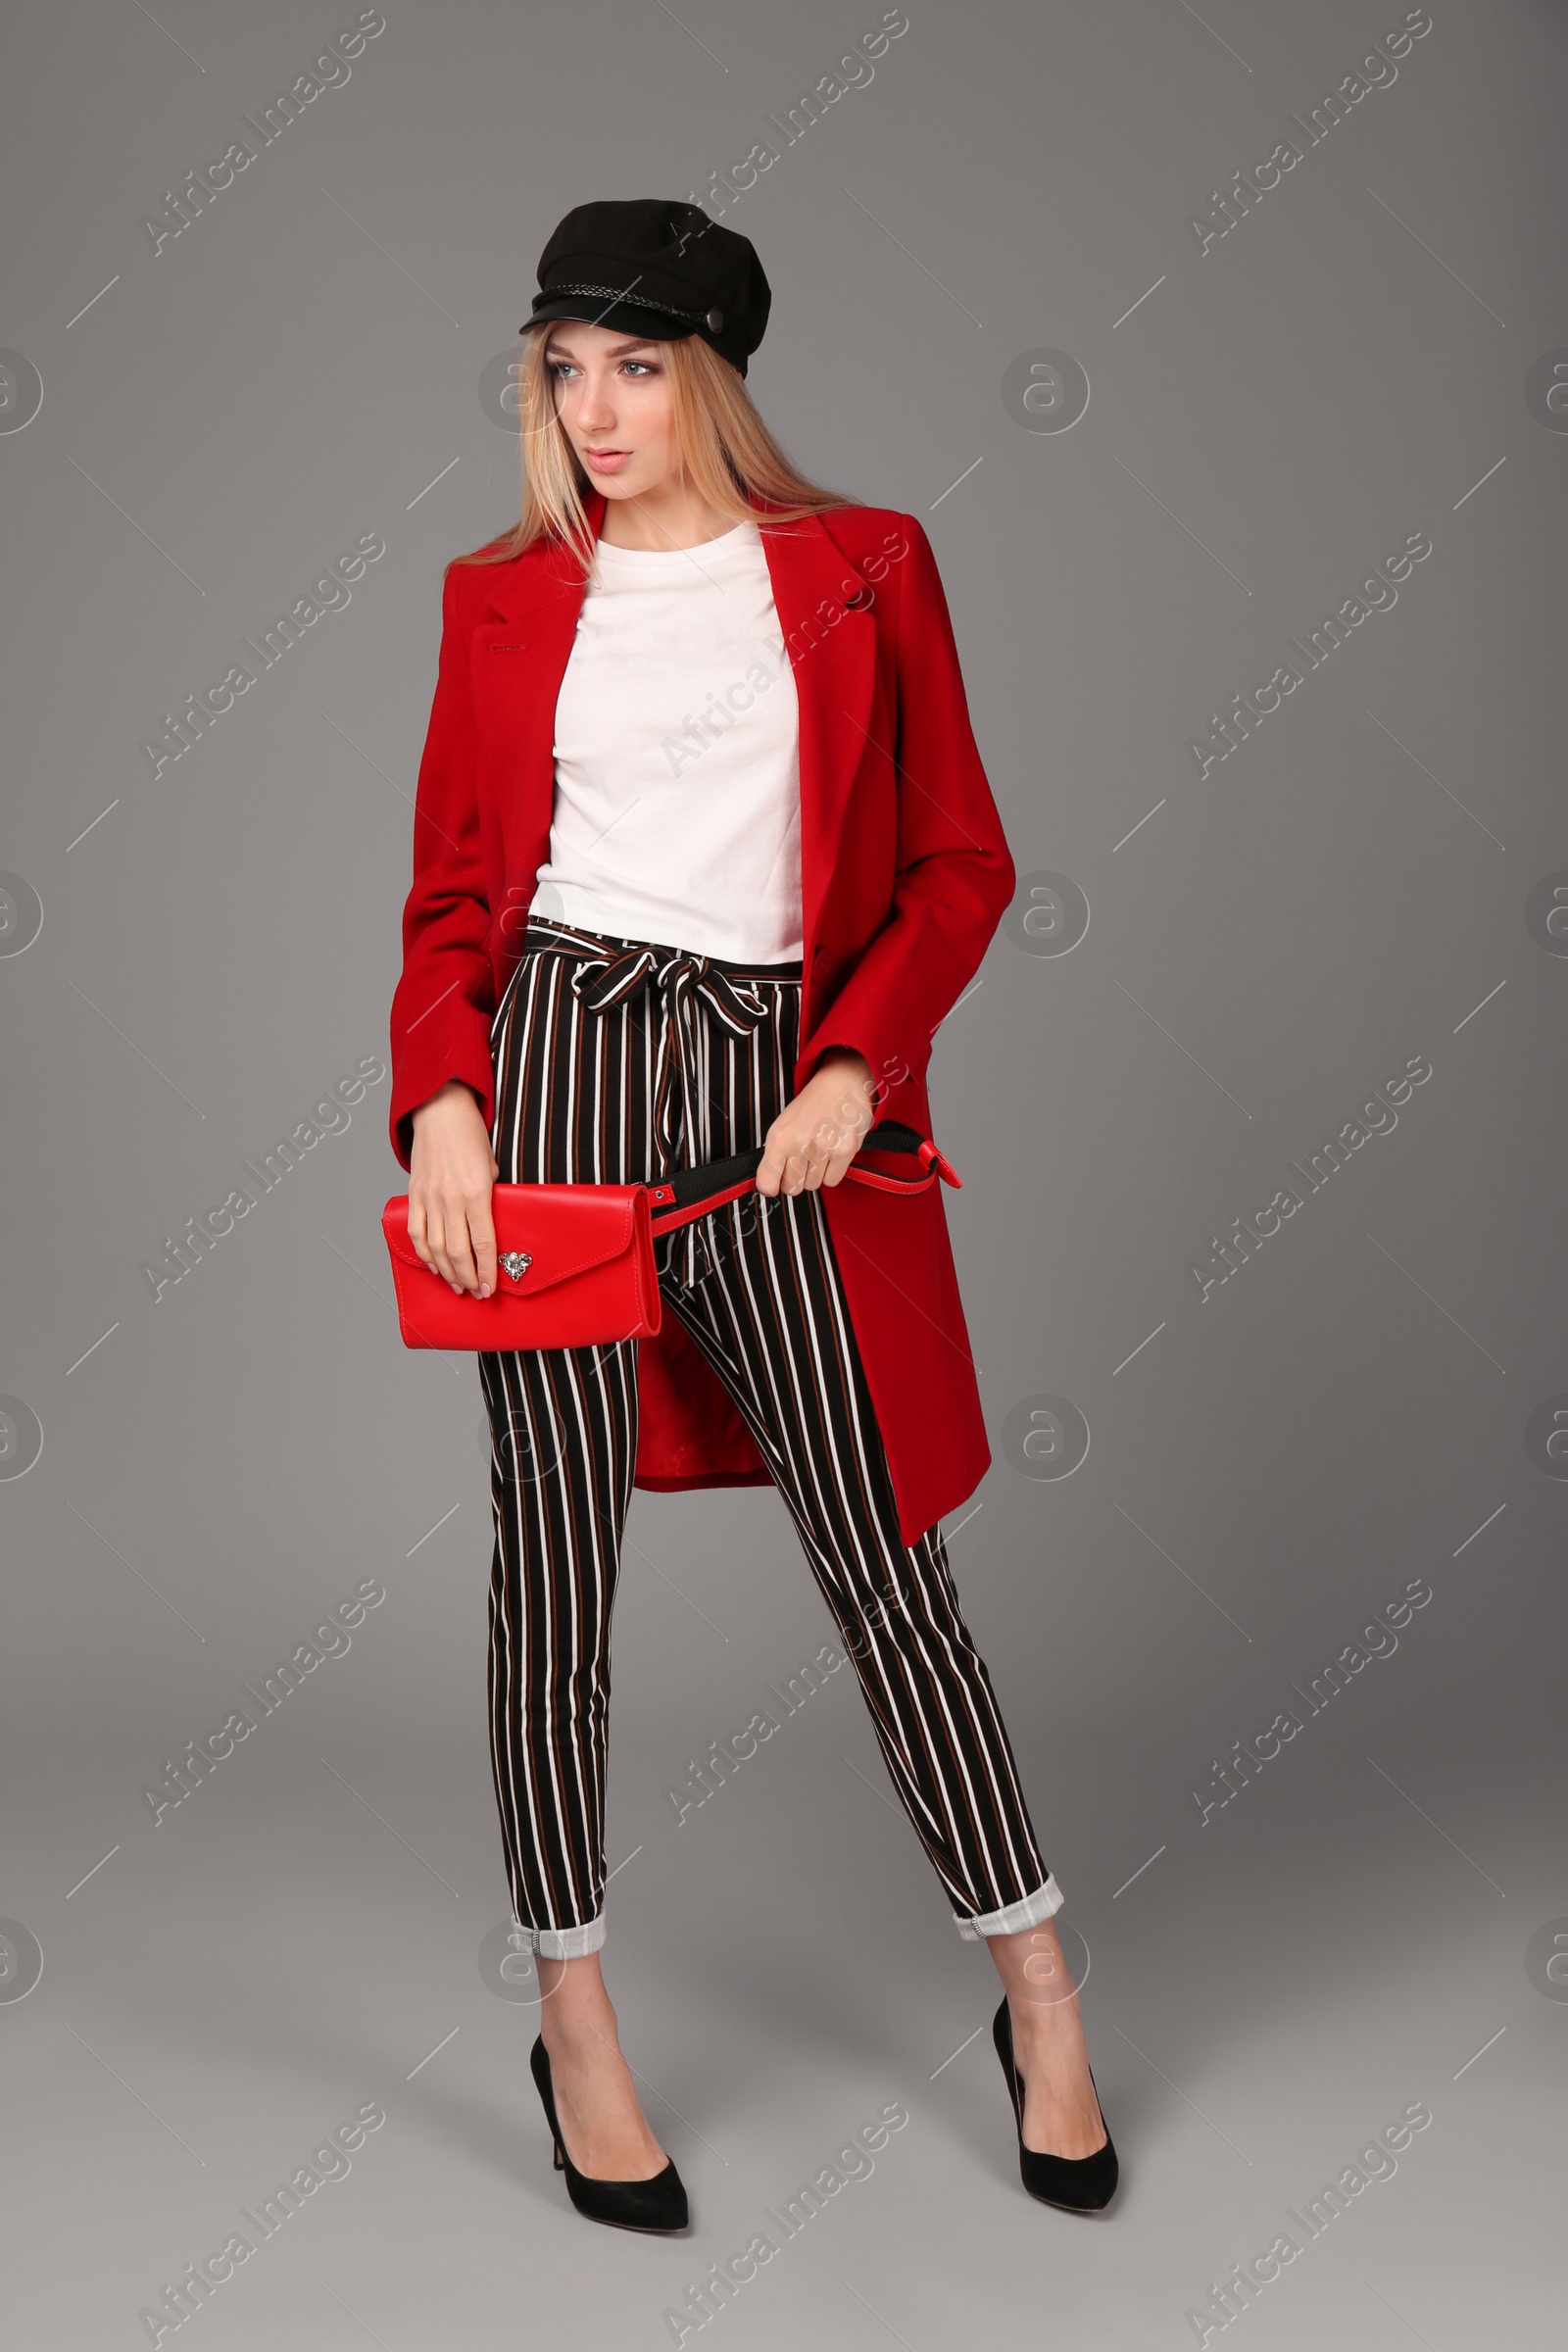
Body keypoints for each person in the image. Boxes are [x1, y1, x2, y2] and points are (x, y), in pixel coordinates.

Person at [387, 198, 1116, 2230]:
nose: (589, 411)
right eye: (558, 368)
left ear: (709, 373)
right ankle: (578, 2022)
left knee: (880, 1549)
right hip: (548, 1086)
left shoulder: (866, 568)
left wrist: (854, 1066)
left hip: (773, 1099)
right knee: (552, 1569)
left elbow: (957, 863)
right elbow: (454, 897)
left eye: (630, 367)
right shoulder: (502, 593)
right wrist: (444, 1096)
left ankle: (1037, 1984)